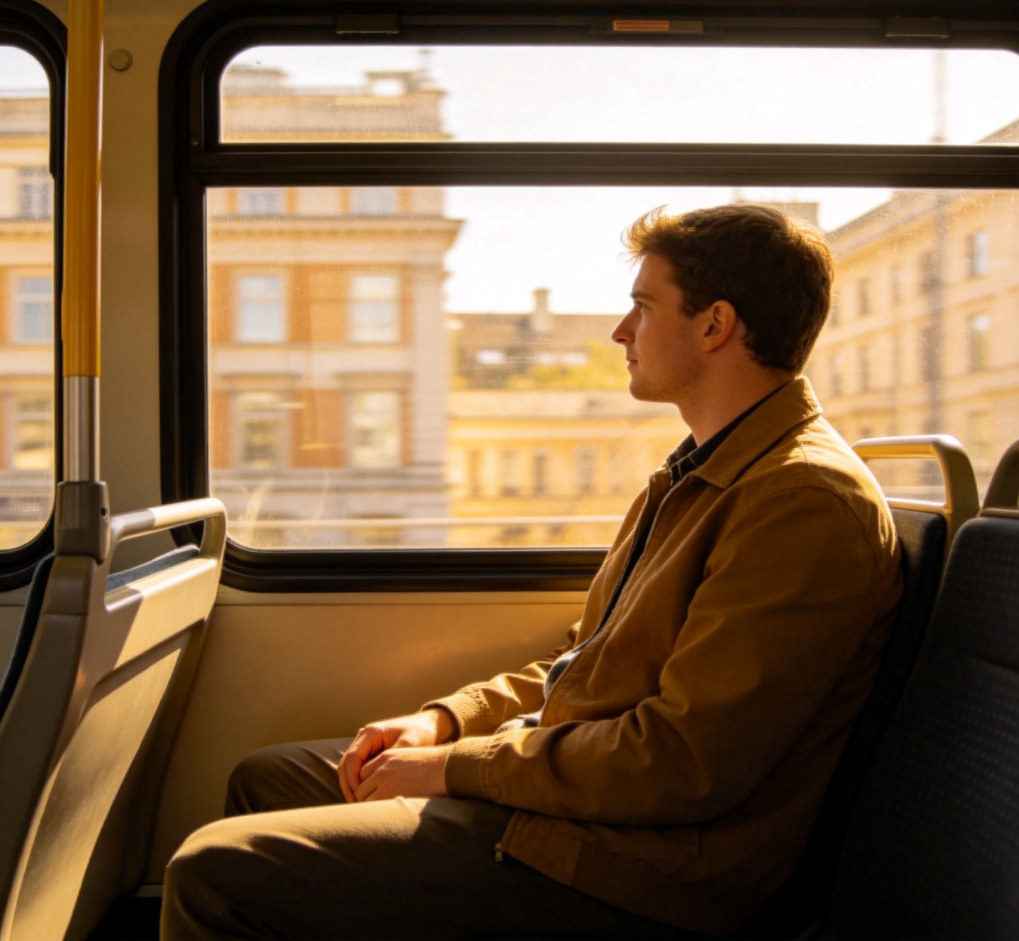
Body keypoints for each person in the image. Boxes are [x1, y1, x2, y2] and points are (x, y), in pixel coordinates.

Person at [162, 203, 902, 939]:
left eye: (644, 306)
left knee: (214, 873)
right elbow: (583, 663)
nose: (621, 331)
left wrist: (455, 767)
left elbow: (682, 763)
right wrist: (444, 722)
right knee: (267, 778)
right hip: (585, 809)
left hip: (640, 870)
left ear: (715, 326)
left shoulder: (800, 501)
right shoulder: (698, 474)